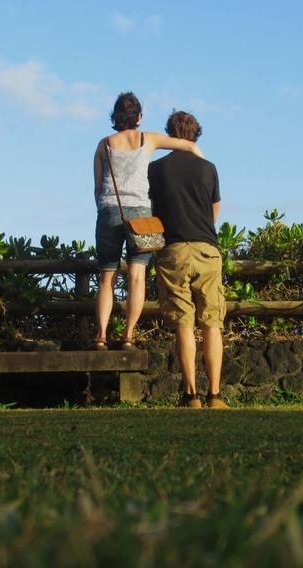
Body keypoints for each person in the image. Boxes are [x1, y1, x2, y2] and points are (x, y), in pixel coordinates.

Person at [92, 92, 204, 350]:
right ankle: (128, 336)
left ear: (115, 116)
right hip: (141, 215)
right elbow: (187, 146)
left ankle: (101, 336)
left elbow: (97, 187)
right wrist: (201, 163)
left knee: (106, 277)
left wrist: (104, 208)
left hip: (109, 210)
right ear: (139, 117)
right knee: (137, 276)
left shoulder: (103, 144)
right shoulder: (148, 138)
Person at [148, 110, 227, 408]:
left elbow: (150, 208)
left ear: (170, 133)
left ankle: (190, 394)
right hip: (207, 249)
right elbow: (214, 212)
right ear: (196, 135)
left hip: (173, 250)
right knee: (212, 323)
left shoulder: (156, 169)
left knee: (183, 323)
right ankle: (215, 395)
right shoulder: (209, 168)